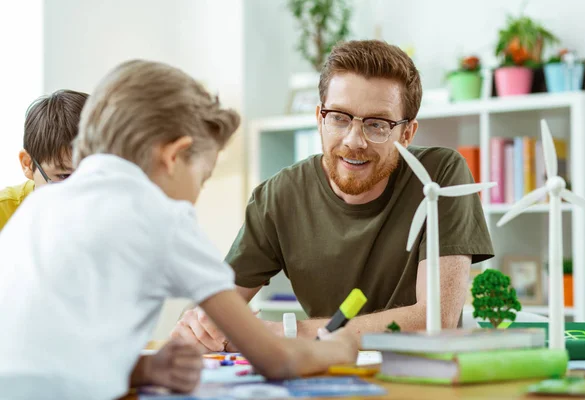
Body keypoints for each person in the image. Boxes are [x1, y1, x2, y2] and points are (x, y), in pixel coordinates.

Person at [0, 60, 357, 400]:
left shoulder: (39, 206)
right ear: (175, 156)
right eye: (203, 177)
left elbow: (54, 356)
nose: (196, 196)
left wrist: (146, 368)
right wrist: (337, 348)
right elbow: (275, 360)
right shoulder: (161, 217)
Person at [171, 40, 495, 351]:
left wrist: (287, 332)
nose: (354, 140)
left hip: (417, 378)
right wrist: (202, 327)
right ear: (319, 118)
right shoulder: (277, 197)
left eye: (377, 124)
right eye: (339, 118)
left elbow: (435, 320)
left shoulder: (440, 177)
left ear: (407, 133)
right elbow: (216, 310)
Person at [0, 89, 88, 231]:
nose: (80, 191)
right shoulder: (4, 214)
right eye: (64, 176)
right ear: (27, 164)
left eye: (91, 174)